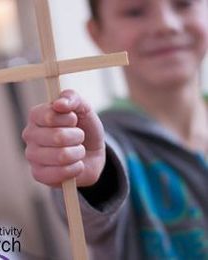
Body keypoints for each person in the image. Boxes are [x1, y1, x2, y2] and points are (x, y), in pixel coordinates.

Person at [22, 0, 208, 259]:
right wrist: (91, 177)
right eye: (134, 11)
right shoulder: (104, 141)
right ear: (96, 33)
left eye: (184, 4)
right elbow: (90, 214)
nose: (166, 24)